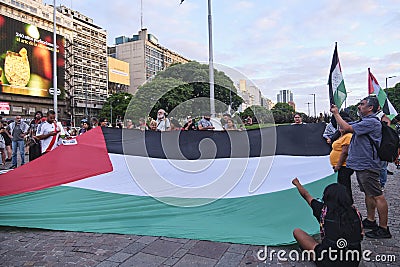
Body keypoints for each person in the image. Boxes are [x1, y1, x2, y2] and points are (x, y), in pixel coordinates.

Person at [331, 96, 391, 239]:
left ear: (370, 108)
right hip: (363, 165)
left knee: (377, 195)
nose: (359, 106)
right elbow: (344, 127)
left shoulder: (371, 122)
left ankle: (384, 228)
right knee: (369, 193)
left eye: (362, 104)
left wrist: (336, 113)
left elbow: (346, 127)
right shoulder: (364, 122)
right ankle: (371, 220)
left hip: (368, 165)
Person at [292, 178, 363, 266]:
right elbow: (361, 234)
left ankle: (313, 253)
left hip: (328, 261)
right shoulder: (355, 213)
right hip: (352, 261)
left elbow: (306, 195)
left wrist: (297, 183)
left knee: (297, 232)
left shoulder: (323, 210)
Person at [330, 116, 354, 201]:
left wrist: (338, 165)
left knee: (345, 186)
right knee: (342, 184)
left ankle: (347, 202)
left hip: (344, 166)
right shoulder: (340, 136)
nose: (341, 126)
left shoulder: (348, 136)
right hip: (341, 166)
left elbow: (344, 152)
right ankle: (344, 201)